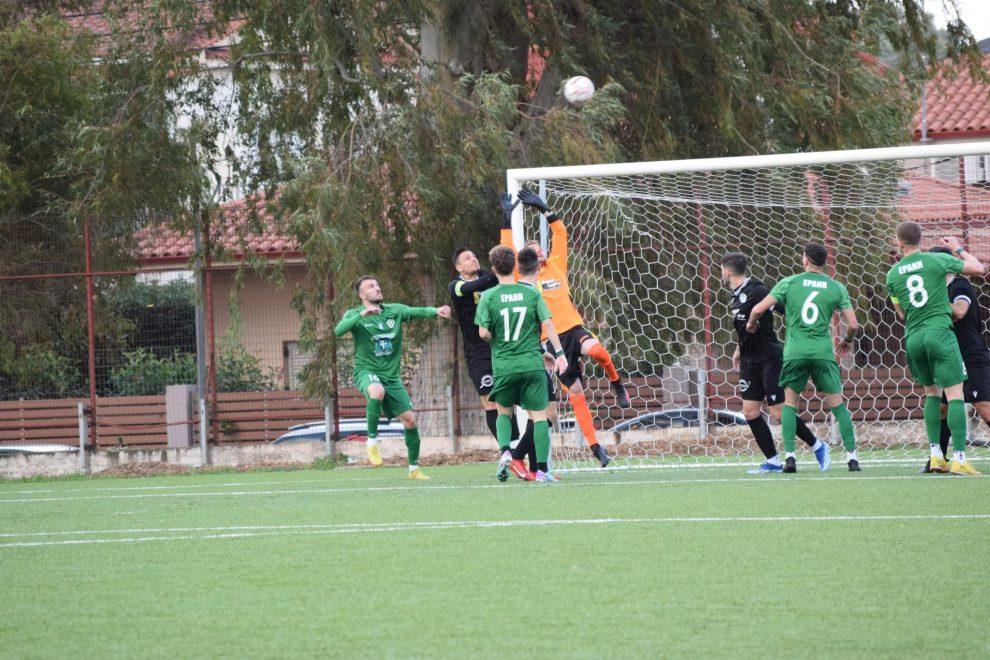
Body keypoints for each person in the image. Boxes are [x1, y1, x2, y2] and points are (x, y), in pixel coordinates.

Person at [500, 189, 629, 469]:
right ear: (528, 259)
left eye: (541, 247)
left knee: (598, 351)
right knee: (576, 392)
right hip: (549, 341)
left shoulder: (558, 264)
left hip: (574, 329)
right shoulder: (524, 278)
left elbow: (561, 232)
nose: (541, 250)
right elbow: (506, 254)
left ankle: (617, 383)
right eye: (534, 249)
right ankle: (596, 447)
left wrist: (544, 209)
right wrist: (507, 220)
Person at [747, 243, 861, 472]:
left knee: (789, 404)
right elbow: (854, 325)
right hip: (822, 353)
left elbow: (759, 309)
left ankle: (790, 458)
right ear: (824, 262)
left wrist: (751, 323)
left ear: (805, 260)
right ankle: (852, 458)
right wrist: (847, 340)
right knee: (838, 406)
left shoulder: (789, 283)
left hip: (795, 353)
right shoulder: (836, 287)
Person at [885, 223, 985, 476]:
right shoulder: (936, 260)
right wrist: (959, 249)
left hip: (914, 338)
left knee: (931, 395)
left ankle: (936, 457)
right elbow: (978, 268)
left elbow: (901, 314)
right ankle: (960, 459)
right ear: (921, 239)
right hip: (940, 333)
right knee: (954, 397)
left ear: (899, 242)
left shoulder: (893, 275)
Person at [720, 253, 830, 474]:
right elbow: (745, 327)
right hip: (750, 362)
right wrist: (740, 349)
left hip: (770, 358)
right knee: (750, 412)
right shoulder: (735, 295)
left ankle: (818, 446)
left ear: (727, 271)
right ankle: (772, 461)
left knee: (779, 413)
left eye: (721, 270)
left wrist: (806, 333)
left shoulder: (758, 290)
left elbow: (789, 310)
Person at [334, 276, 451, 480]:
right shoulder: (355, 314)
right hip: (366, 371)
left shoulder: (394, 310)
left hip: (392, 377)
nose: (377, 288)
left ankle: (413, 469)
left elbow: (416, 311)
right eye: (371, 287)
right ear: (362, 295)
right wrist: (362, 314)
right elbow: (338, 331)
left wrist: (435, 310)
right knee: (376, 391)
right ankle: (371, 442)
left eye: (378, 285)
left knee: (410, 421)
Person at [476, 245, 568, 483]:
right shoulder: (531, 294)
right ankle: (542, 471)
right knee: (539, 417)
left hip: (505, 366)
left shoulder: (488, 296)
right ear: (515, 267)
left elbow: (483, 333)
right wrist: (559, 353)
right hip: (532, 365)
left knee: (504, 413)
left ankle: (506, 451)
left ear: (494, 269)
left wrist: (497, 338)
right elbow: (547, 324)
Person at [448, 248, 526, 472]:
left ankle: (516, 451)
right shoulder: (457, 285)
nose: (473, 258)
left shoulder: (487, 277)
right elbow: (472, 288)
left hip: (501, 346)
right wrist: (498, 268)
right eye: (467, 258)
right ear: (459, 267)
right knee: (491, 401)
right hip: (477, 352)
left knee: (509, 399)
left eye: (474, 255)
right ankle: (508, 451)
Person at [922, 246, 990, 473]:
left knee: (984, 408)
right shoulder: (933, 289)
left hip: (971, 355)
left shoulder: (959, 284)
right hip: (949, 355)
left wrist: (932, 307)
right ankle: (938, 460)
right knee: (942, 408)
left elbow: (960, 311)